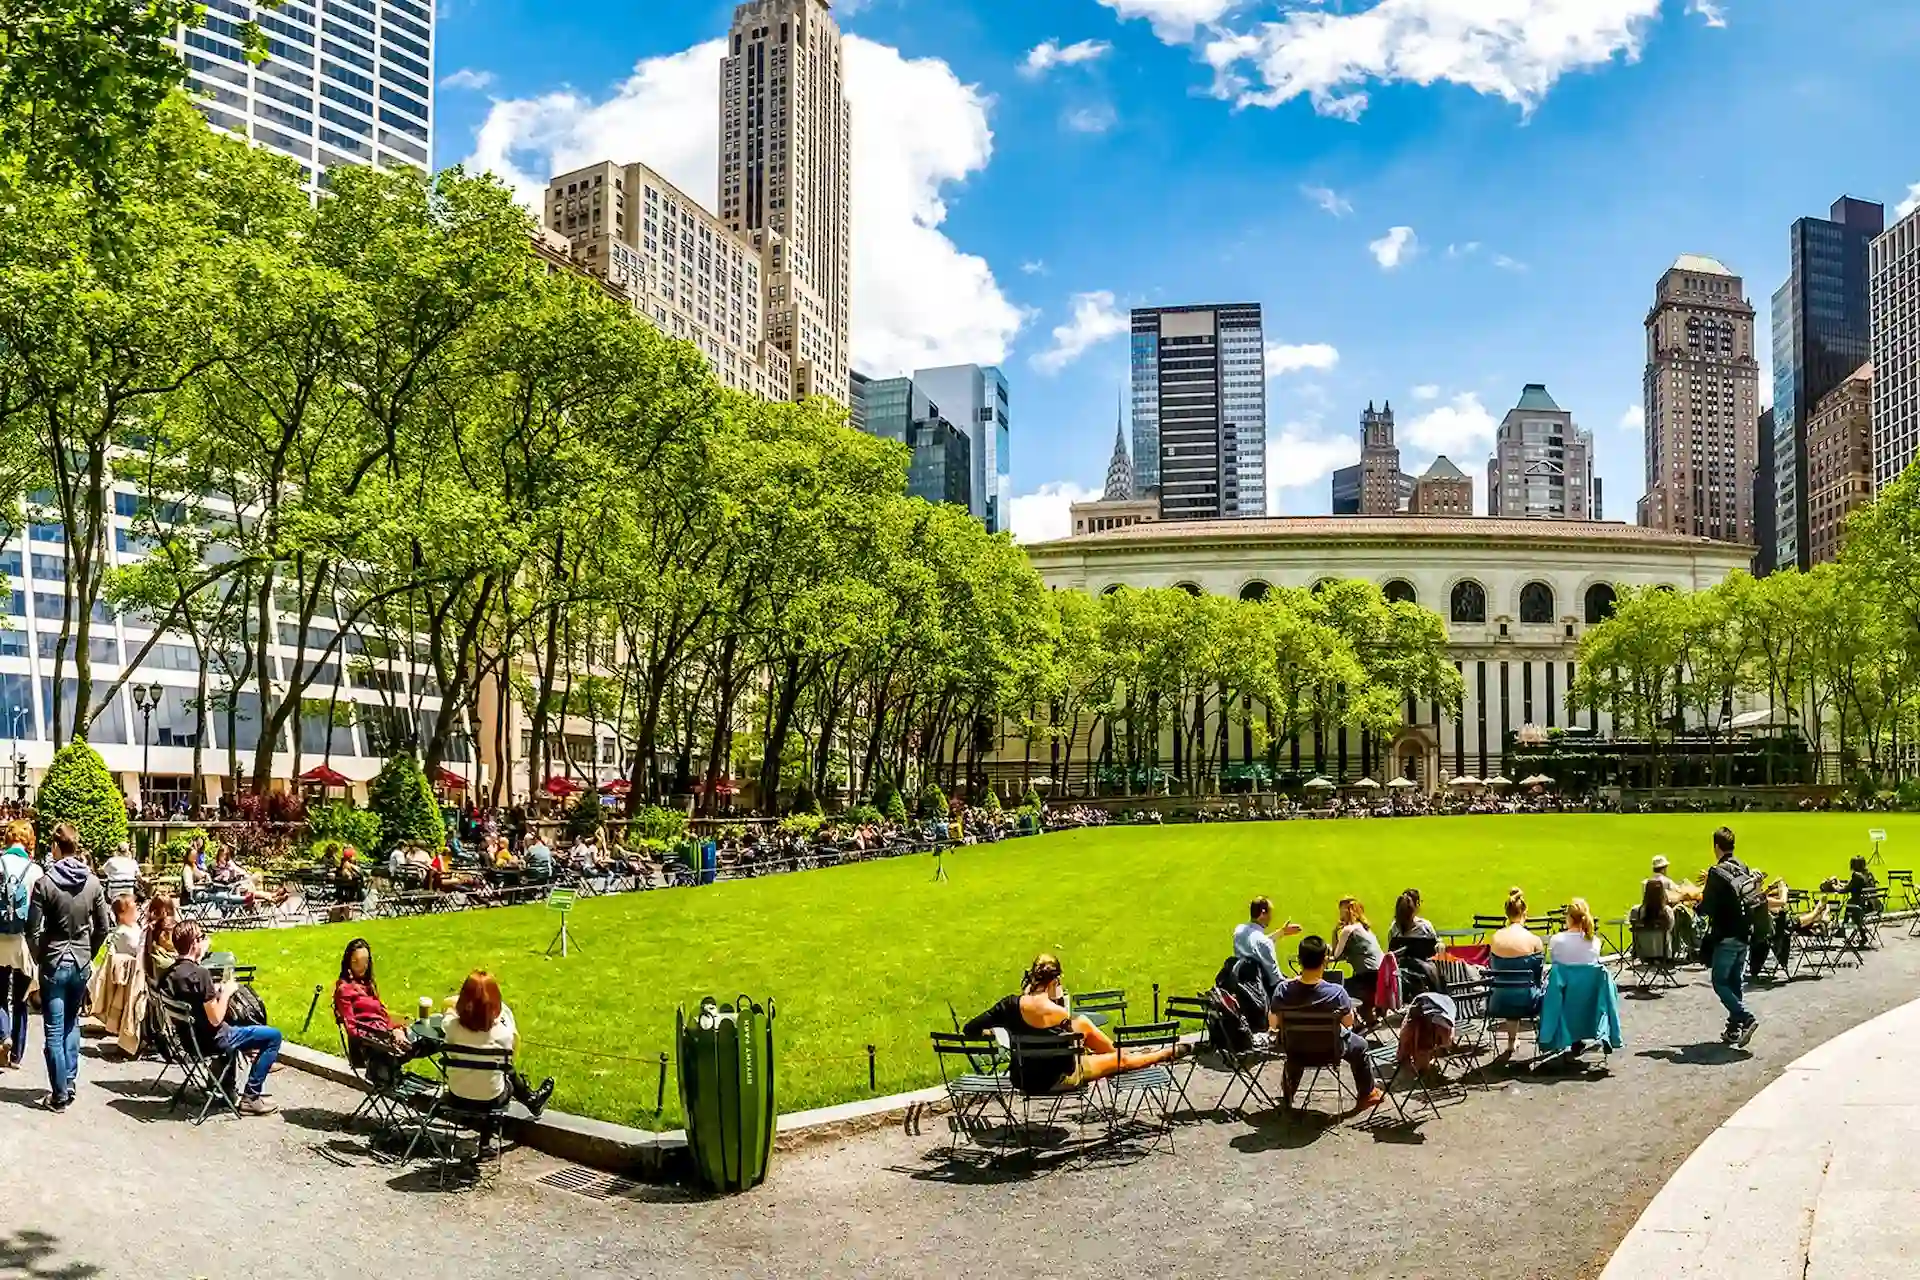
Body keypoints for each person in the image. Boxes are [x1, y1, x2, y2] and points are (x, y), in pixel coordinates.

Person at [962, 954, 1185, 1094]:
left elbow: (970, 1029)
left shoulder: (1008, 1005)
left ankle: (1117, 1055)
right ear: (1056, 981)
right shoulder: (1059, 1013)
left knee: (1084, 1025)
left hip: (1021, 1078)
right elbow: (1069, 1062)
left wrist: (995, 1033)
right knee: (1120, 1060)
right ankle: (1163, 1053)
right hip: (1057, 1080)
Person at [26, 823, 112, 1111]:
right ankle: (70, 1080)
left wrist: (41, 957)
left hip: (54, 959)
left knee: (53, 1029)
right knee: (71, 1023)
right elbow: (103, 927)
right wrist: (89, 952)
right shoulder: (92, 882)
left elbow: (32, 929)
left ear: (55, 846)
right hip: (80, 958)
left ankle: (59, 1093)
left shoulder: (45, 883)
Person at [160, 920, 282, 1115]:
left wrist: (213, 994)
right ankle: (251, 1097)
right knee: (273, 1036)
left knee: (234, 1022)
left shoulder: (169, 974)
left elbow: (194, 1000)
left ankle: (225, 1086)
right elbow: (216, 1019)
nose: (206, 941)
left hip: (188, 1040)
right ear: (194, 944)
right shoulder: (200, 974)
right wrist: (226, 992)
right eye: (202, 938)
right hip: (212, 1040)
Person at [1272, 934, 1383, 1111]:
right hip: (1330, 1051)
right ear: (1325, 961)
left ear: (1299, 960)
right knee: (1360, 1045)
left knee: (1298, 1039)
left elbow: (1273, 1022)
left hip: (1295, 1050)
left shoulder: (1282, 990)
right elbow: (1348, 1024)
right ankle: (1367, 1093)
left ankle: (1289, 1094)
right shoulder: (1337, 993)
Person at [443, 971, 555, 1116]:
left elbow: (448, 1010)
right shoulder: (504, 1033)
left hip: (456, 1096)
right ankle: (531, 1099)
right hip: (492, 1099)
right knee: (507, 1071)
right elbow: (511, 1056)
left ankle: (532, 1099)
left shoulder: (450, 1027)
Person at [1700, 826, 1758, 1048]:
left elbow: (1708, 904)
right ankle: (1734, 1029)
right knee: (1735, 981)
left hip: (1726, 934)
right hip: (1745, 933)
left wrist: (1697, 907)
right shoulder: (1742, 866)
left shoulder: (1716, 872)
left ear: (1716, 846)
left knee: (1719, 981)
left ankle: (1745, 1017)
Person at [0, 819, 41, 1071]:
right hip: (24, 940)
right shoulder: (35, 871)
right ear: (28, 841)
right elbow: (39, 914)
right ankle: (16, 1054)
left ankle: (3, 1034)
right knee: (21, 998)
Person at [1488, 886, 1546, 1059]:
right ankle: (1547, 1038)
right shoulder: (1534, 940)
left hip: (1498, 1001)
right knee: (1545, 988)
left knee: (1509, 983)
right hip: (1527, 1002)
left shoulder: (1496, 938)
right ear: (1525, 913)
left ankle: (1512, 1041)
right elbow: (1538, 977)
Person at [1231, 896, 1300, 1006]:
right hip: (1262, 994)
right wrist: (1297, 980)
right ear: (1263, 914)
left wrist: (1281, 932)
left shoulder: (1238, 931)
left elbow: (1254, 943)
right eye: (1270, 913)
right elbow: (1276, 980)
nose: (1271, 917)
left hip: (1240, 983)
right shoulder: (1264, 943)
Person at [1331, 896, 1383, 1020]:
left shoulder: (1347, 930)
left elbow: (1336, 955)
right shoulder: (1366, 929)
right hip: (1380, 978)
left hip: (1367, 980)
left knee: (1335, 990)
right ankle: (1367, 1019)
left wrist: (1334, 933)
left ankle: (1350, 1022)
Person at [1548, 898, 1602, 968]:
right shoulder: (1595, 942)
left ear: (1569, 918)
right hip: (1587, 978)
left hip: (1563, 978)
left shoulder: (1556, 940)